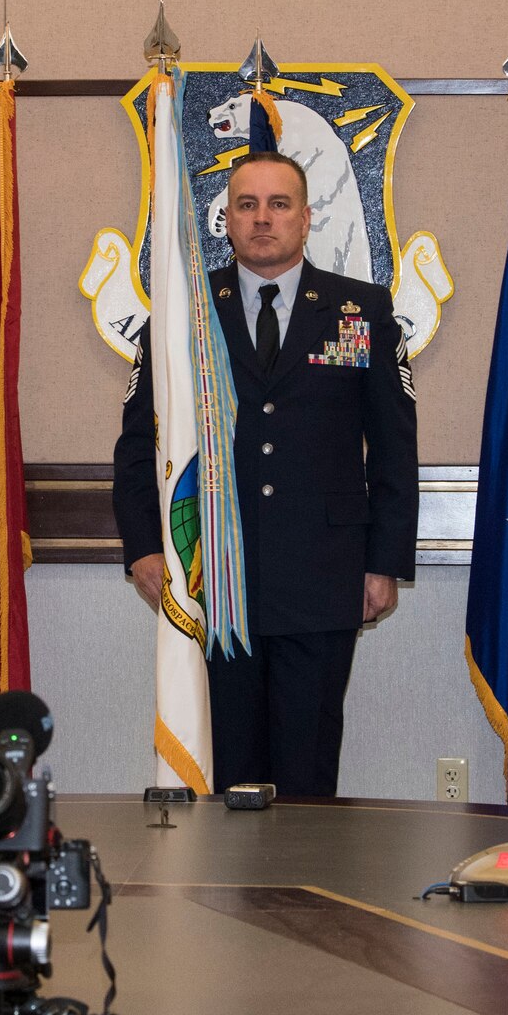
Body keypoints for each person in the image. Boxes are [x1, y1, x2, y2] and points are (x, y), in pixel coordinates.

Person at [114, 151, 418, 797]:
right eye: (246, 205)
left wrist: (384, 560)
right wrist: (143, 545)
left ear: (306, 219)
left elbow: (394, 447)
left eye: (278, 205)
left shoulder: (358, 311)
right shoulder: (185, 315)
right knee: (226, 776)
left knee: (306, 777)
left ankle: (303, 900)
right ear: (225, 219)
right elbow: (140, 443)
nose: (262, 219)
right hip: (215, 581)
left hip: (324, 577)